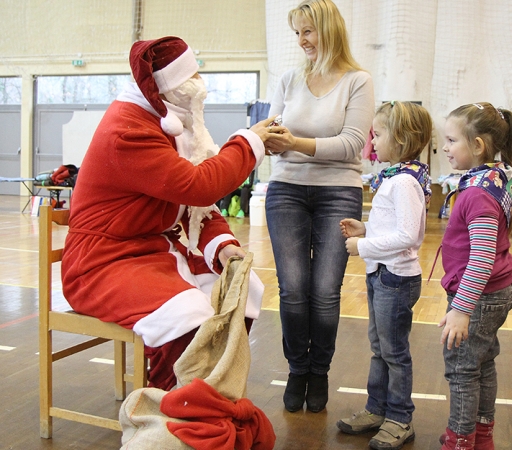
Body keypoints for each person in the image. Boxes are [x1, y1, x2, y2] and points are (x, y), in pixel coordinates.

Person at [61, 36, 273, 391]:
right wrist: (249, 143)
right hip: (102, 261)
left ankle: (211, 389)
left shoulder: (166, 121)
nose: (199, 92)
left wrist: (221, 245)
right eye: (191, 86)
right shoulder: (128, 131)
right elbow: (198, 186)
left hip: (152, 249)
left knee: (241, 287)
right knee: (186, 318)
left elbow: (193, 206)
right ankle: (173, 406)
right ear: (168, 90)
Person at [263, 0, 375, 413]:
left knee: (324, 292)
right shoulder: (290, 78)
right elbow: (271, 134)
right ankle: (298, 369)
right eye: (297, 33)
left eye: (308, 31)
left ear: (329, 30)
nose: (302, 41)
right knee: (293, 290)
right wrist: (273, 138)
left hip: (338, 193)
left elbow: (350, 144)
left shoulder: (357, 81)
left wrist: (293, 143)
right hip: (286, 190)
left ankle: (319, 372)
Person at [335, 102, 433, 450]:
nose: (372, 142)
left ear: (403, 138)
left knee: (394, 352)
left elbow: (409, 237)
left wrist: (363, 246)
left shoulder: (405, 182)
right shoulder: (395, 177)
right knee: (380, 349)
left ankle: (400, 418)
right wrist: (366, 228)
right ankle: (377, 410)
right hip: (381, 276)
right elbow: (393, 227)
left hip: (395, 279)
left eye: (377, 134)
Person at [437, 102, 512, 450]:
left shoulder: (477, 193)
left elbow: (482, 258)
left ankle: (461, 440)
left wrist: (461, 309)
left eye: (451, 140)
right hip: (495, 292)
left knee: (461, 369)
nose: (444, 147)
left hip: (479, 297)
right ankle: (480, 434)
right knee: (482, 364)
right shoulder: (497, 175)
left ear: (478, 146)